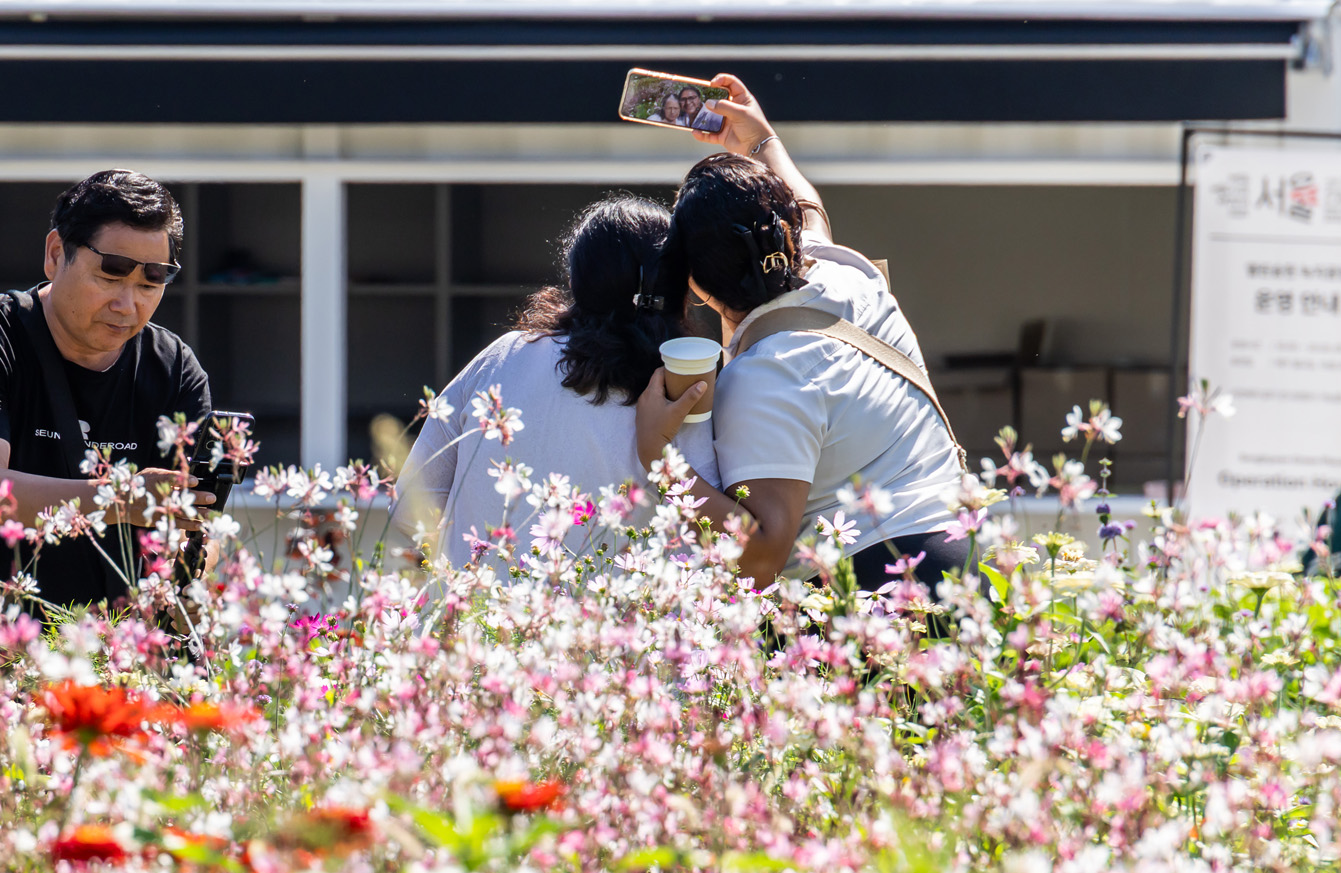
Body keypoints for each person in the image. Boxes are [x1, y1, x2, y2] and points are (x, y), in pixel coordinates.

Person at [634, 74, 966, 595]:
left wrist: (658, 456)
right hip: (968, 565)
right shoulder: (846, 277)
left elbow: (762, 555)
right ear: (788, 234)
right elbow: (807, 206)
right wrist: (761, 140)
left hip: (889, 598)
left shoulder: (764, 375)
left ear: (695, 285)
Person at [0, 169, 215, 644]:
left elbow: (196, 521)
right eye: (111, 274)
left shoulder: (173, 368)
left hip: (106, 649)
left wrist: (189, 578)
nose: (127, 304)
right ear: (55, 254)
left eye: (151, 283)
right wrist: (123, 498)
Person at [390, 195, 719, 574]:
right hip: (605, 627)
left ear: (578, 279)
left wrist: (482, 566)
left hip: (473, 622)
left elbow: (409, 503)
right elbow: (714, 538)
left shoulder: (503, 355)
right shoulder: (676, 391)